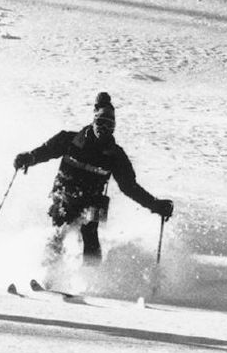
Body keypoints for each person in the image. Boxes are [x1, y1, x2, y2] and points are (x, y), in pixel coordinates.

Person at [12, 92, 173, 265]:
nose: (104, 129)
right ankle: (47, 271)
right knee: (59, 227)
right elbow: (46, 151)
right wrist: (30, 158)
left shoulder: (115, 155)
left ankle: (91, 277)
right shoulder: (69, 139)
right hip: (65, 192)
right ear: (93, 121)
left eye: (109, 126)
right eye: (101, 123)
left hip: (92, 200)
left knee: (90, 233)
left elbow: (129, 187)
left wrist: (155, 204)